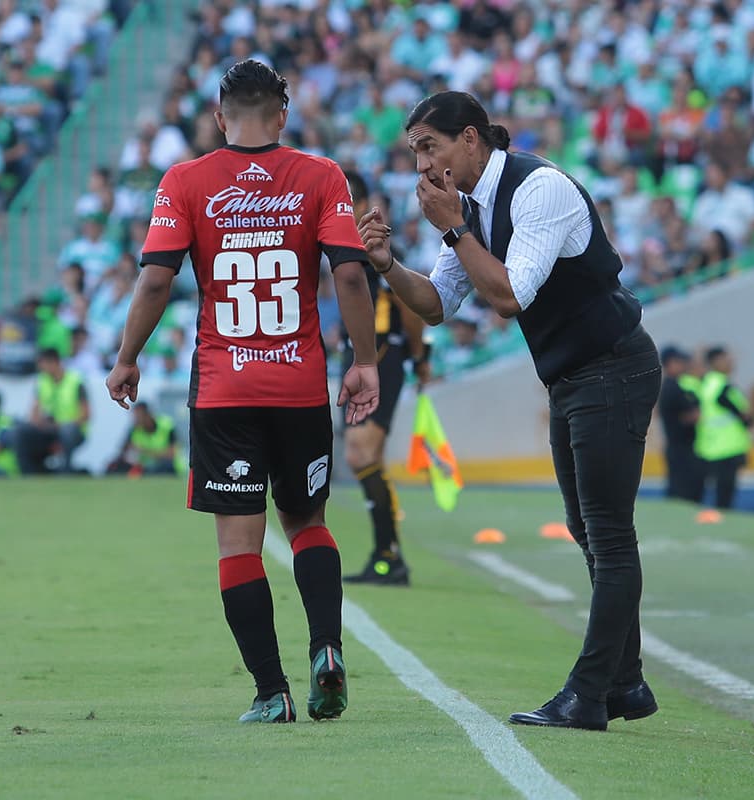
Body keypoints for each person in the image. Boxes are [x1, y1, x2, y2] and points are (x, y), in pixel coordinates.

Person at [358, 90, 658, 731]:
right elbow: (438, 303)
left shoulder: (535, 188)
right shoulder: (473, 206)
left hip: (614, 367)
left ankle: (590, 693)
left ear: (471, 139)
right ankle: (626, 681)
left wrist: (454, 229)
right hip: (575, 377)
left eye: (429, 148)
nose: (422, 167)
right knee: (588, 530)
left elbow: (510, 296)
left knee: (607, 534)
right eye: (414, 153)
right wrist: (387, 265)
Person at [104, 60, 380, 724]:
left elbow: (154, 281)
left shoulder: (186, 181)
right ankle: (328, 650)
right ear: (281, 115)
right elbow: (348, 277)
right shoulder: (321, 176)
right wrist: (364, 362)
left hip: (226, 391)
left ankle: (271, 692)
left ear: (220, 116)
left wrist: (126, 358)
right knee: (307, 523)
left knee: (238, 545)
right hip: (299, 387)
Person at [339, 169, 431, 586]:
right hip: (356, 355)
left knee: (361, 454)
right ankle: (387, 555)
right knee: (364, 457)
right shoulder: (339, 240)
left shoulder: (376, 239)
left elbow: (409, 303)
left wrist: (416, 354)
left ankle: (389, 555)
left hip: (383, 353)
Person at [13, 348, 89, 474]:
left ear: (54, 362)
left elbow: (85, 414)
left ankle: (66, 472)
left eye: (43, 363)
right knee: (21, 431)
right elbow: (34, 413)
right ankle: (29, 473)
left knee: (67, 431)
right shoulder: (42, 381)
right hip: (48, 428)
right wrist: (41, 423)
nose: (41, 368)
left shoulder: (75, 381)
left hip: (71, 429)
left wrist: (62, 425)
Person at [694, 346, 751, 509]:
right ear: (715, 362)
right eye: (726, 359)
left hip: (713, 446)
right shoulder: (721, 386)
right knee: (725, 495)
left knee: (720, 494)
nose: (731, 362)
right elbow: (742, 415)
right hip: (726, 448)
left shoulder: (707, 383)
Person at [657, 344, 702, 503]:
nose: (684, 365)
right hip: (680, 449)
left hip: (681, 448)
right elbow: (693, 416)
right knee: (682, 495)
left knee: (684, 492)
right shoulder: (672, 388)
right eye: (680, 361)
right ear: (671, 363)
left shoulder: (676, 386)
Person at [106, 401, 181, 476]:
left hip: (169, 468)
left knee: (165, 467)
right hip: (144, 468)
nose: (135, 419)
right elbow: (123, 454)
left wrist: (144, 451)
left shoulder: (166, 426)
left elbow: (171, 454)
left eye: (138, 416)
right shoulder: (134, 430)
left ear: (147, 415)